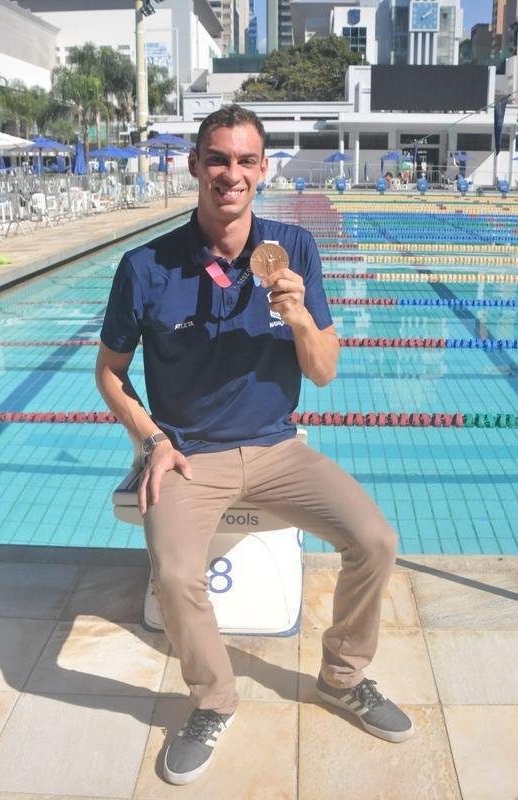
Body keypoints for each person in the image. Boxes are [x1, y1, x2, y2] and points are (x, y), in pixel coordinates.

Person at [95, 104, 414, 787]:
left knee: (376, 540)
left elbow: (323, 373)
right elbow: (110, 374)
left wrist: (300, 317)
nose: (230, 174)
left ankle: (341, 676)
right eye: (217, 159)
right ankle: (212, 701)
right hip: (187, 453)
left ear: (261, 169)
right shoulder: (145, 266)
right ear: (195, 166)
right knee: (176, 574)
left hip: (278, 448)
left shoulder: (294, 249)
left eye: (244, 161)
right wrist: (152, 442)